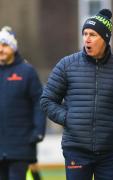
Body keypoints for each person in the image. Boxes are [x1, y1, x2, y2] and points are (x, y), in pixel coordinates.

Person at [40, 9, 113, 180]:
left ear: (105, 38)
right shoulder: (66, 65)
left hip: (111, 152)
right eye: (85, 33)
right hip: (76, 150)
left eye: (92, 34)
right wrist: (68, 118)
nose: (87, 38)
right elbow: (47, 100)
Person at [0, 26, 46, 180]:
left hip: (20, 146)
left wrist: (38, 131)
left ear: (13, 47)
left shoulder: (27, 72)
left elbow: (39, 103)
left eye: (4, 45)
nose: (1, 49)